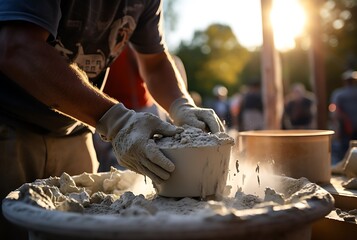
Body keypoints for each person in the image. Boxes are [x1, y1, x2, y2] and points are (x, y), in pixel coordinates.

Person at [0, 1, 224, 238]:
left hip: (74, 128)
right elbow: (17, 48)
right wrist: (117, 121)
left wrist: (182, 105)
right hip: (9, 123)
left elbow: (155, 63)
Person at [329, 70, 357, 163]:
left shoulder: (339, 94)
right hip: (353, 126)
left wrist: (335, 125)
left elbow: (333, 110)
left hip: (346, 127)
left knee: (345, 151)